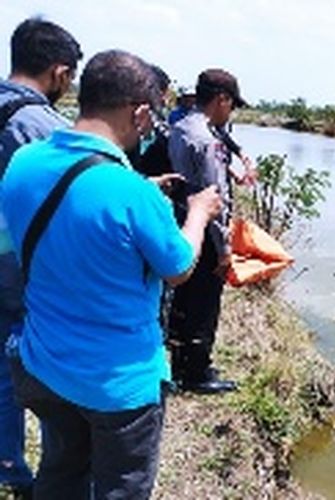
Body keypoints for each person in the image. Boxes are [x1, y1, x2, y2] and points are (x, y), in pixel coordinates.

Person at [1, 49, 221, 499]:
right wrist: (197, 213)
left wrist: (139, 194)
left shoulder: (23, 162)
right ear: (140, 112)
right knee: (120, 488)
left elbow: (28, 240)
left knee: (60, 474)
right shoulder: (131, 193)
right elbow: (178, 267)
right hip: (118, 386)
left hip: (44, 364)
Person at [0, 17, 81, 498]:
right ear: (59, 72)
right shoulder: (41, 124)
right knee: (41, 369)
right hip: (20, 270)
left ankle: (8, 461)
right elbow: (70, 202)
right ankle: (52, 474)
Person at [167, 68, 254, 394]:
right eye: (231, 105)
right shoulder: (207, 140)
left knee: (183, 300)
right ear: (222, 100)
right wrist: (225, 250)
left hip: (182, 224)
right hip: (203, 231)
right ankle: (196, 372)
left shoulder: (182, 126)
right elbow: (214, 195)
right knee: (204, 303)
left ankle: (181, 364)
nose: (230, 112)